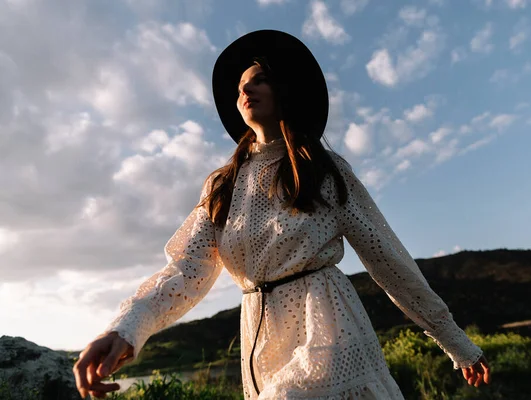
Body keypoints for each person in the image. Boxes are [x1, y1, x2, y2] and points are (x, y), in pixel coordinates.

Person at [73, 30, 491, 399]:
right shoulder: (221, 186)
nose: (246, 91)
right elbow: (185, 272)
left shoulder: (323, 169)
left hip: (328, 326)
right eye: (241, 86)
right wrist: (124, 329)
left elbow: (387, 258)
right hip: (259, 342)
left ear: (284, 91)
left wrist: (454, 340)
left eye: (260, 80)